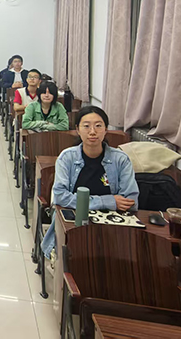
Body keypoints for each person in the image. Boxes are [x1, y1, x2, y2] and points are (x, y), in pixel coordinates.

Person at [41, 106, 139, 259]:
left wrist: (86, 202)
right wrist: (108, 201)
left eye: (98, 126)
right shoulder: (67, 158)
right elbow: (60, 197)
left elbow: (130, 202)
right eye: (86, 126)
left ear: (106, 130)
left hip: (111, 223)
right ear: (77, 130)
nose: (92, 131)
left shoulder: (120, 159)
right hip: (75, 220)